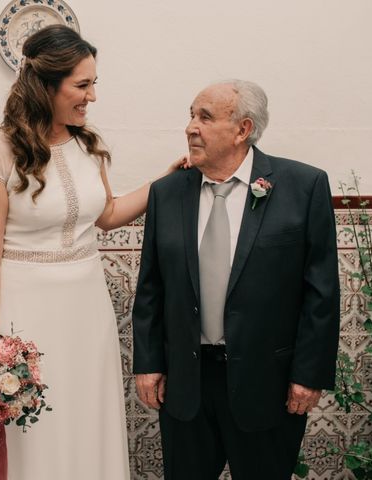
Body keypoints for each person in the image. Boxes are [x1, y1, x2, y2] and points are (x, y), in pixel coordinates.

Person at [0, 25, 184, 480]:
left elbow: (105, 214)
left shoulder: (89, 145)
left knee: (88, 416)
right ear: (46, 86)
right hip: (25, 312)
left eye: (94, 84)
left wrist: (165, 184)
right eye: (82, 86)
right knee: (35, 431)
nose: (92, 97)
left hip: (87, 305)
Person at [132, 79, 341, 479]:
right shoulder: (167, 192)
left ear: (243, 129)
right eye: (191, 116)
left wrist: (308, 375)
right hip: (186, 384)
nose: (191, 126)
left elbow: (321, 292)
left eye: (205, 117)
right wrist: (149, 364)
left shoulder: (303, 186)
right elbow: (151, 287)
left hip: (268, 384)